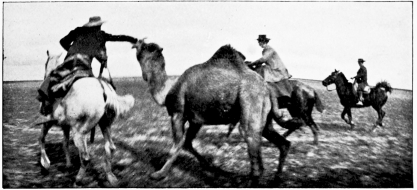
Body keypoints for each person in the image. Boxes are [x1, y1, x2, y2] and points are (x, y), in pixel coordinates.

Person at [37, 16, 138, 116]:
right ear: (98, 25)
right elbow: (118, 38)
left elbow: (62, 41)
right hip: (84, 65)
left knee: (52, 77)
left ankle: (46, 104)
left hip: (69, 63)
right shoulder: (101, 35)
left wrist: (71, 50)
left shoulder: (77, 31)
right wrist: (134, 40)